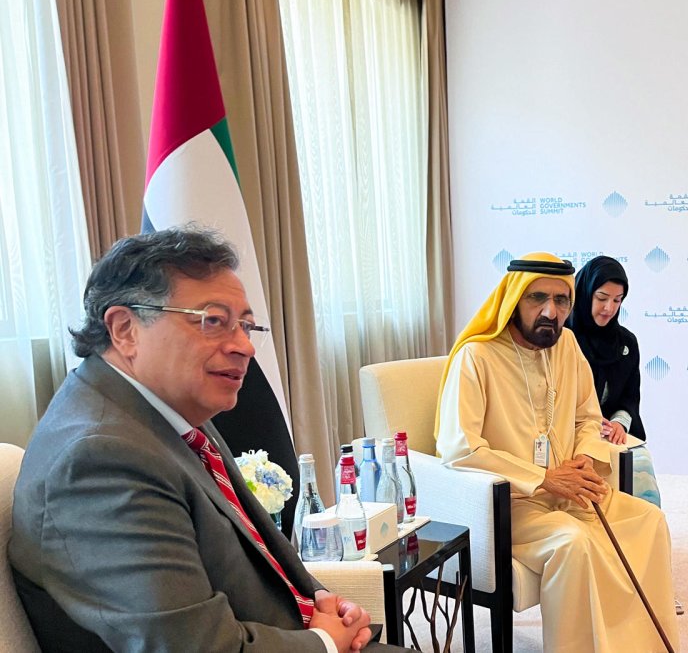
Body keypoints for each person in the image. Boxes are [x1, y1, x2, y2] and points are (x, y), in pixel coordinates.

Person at [9, 228, 408, 653]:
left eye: (246, 326)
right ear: (125, 329)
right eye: (213, 321)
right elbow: (193, 647)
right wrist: (325, 641)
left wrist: (323, 604)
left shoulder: (166, 411)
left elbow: (252, 557)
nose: (244, 347)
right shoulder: (98, 459)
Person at [435, 252, 679, 652]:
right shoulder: (477, 357)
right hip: (512, 504)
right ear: (513, 300)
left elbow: (587, 417)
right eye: (538, 299)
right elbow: (460, 448)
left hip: (572, 490)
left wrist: (585, 457)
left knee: (648, 520)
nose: (551, 311)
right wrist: (544, 478)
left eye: (561, 300)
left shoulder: (566, 344)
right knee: (573, 543)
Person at [566, 255, 662, 506]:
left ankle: (640, 535)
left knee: (640, 466)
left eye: (617, 300)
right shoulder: (563, 339)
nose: (609, 308)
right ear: (585, 293)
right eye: (601, 298)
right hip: (570, 435)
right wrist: (588, 423)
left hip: (612, 433)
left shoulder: (626, 342)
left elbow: (630, 396)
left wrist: (620, 424)